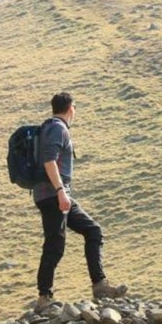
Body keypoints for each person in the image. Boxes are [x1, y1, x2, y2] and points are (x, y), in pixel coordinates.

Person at [33, 92, 126, 308]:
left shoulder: (51, 127)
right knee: (55, 246)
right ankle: (44, 298)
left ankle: (100, 286)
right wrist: (60, 191)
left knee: (92, 231)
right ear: (70, 108)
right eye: (75, 107)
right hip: (53, 195)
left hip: (55, 194)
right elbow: (49, 161)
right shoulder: (58, 128)